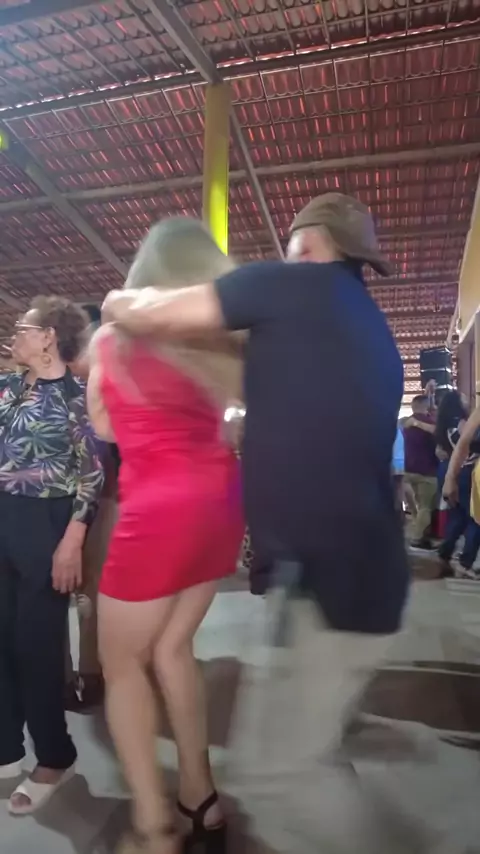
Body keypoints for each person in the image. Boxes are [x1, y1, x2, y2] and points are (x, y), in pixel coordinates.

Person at [103, 194, 409, 853]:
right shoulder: (363, 324)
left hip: (320, 570)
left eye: (291, 245)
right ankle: (200, 797)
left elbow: (147, 318)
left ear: (311, 243)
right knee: (296, 739)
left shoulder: (296, 287)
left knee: (278, 771)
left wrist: (114, 302)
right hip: (340, 557)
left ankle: (155, 827)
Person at [88, 219, 244, 854]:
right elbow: (234, 422)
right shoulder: (218, 342)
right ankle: (201, 798)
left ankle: (153, 828)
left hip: (157, 510)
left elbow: (105, 426)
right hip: (220, 503)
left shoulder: (112, 338)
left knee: (121, 664)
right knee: (174, 648)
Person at [0, 296, 104, 814]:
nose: (13, 334)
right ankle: (5, 747)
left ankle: (55, 756)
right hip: (2, 513)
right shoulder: (5, 387)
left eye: (23, 328)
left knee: (36, 645)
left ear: (48, 338)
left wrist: (72, 539)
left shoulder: (78, 397)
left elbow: (92, 474)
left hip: (47, 521)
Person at [66, 303, 118, 709]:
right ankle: (78, 674)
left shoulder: (107, 381)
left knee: (93, 590)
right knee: (82, 591)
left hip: (107, 495)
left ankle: (90, 672)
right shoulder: (63, 386)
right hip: (80, 496)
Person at [440, 395, 480, 579]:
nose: (467, 401)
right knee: (472, 519)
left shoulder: (444, 423)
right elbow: (464, 443)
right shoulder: (460, 422)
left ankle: (446, 552)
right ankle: (464, 560)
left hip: (460, 470)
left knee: (460, 517)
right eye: (463, 399)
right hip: (467, 470)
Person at [403, 395, 438, 549]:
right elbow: (438, 434)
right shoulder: (430, 423)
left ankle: (420, 533)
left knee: (416, 504)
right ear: (427, 406)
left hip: (408, 469)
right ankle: (417, 538)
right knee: (426, 507)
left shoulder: (405, 423)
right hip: (427, 471)